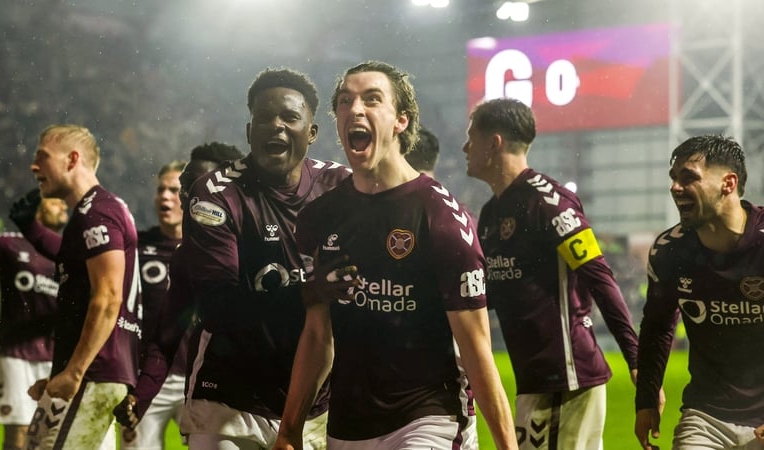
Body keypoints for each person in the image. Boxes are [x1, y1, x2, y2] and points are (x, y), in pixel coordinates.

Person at [274, 60, 517, 450]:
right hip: (348, 427)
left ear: (401, 121)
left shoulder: (440, 218)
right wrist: (289, 430)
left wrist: (508, 446)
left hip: (426, 420)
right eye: (345, 101)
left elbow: (477, 351)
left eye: (372, 99)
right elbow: (318, 335)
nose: (355, 109)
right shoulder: (322, 216)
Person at [177, 68, 350, 449]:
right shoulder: (216, 195)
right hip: (230, 397)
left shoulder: (341, 187)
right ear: (249, 130)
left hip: (316, 404)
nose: (276, 126)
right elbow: (219, 307)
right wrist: (309, 292)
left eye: (289, 117)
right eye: (264, 118)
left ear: (312, 132)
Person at [462, 97, 639, 449]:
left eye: (472, 137)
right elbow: (491, 294)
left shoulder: (549, 201)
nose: (465, 147)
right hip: (537, 380)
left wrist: (635, 359)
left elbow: (598, 276)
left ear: (494, 143)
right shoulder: (492, 213)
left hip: (567, 378)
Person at [13, 124, 141, 450]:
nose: (34, 166)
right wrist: (61, 371)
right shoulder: (95, 211)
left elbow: (109, 297)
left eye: (42, 156)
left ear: (72, 159)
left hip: (93, 373)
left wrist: (75, 370)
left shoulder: (96, 212)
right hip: (93, 372)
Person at [634, 135, 764, 450]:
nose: (675, 187)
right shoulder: (670, 251)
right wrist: (646, 399)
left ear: (728, 183)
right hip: (706, 418)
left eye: (688, 177)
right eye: (674, 178)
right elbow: (656, 327)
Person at [113, 143, 243, 449]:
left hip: (279, 397)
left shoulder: (275, 239)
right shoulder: (174, 254)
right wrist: (139, 394)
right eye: (172, 189)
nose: (177, 197)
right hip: (196, 385)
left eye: (183, 188)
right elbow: (166, 334)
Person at [0, 196, 67, 450]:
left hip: (59, 357)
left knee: (54, 437)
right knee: (19, 435)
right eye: (56, 202)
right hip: (16, 354)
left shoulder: (70, 251)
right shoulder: (8, 243)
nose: (64, 206)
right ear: (37, 209)